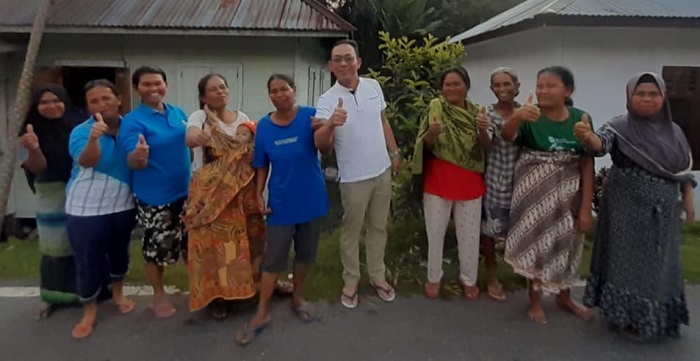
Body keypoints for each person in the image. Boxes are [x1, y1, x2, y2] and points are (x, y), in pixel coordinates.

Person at [580, 72, 695, 340]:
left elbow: (681, 170)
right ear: (629, 97)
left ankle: (658, 316)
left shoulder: (675, 131)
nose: (646, 98)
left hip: (664, 208)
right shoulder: (619, 126)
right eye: (640, 94)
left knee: (660, 262)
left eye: (653, 94)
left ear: (663, 97)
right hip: (625, 207)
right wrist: (587, 137)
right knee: (627, 263)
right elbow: (600, 145)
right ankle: (627, 316)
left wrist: (687, 197)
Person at [235, 74, 329, 346]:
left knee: (306, 254)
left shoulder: (312, 116)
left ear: (294, 90)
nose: (279, 94)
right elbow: (261, 163)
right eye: (274, 91)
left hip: (312, 199)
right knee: (273, 257)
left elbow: (327, 146)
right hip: (280, 203)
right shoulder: (264, 126)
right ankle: (262, 312)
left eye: (284, 89)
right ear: (270, 96)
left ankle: (297, 297)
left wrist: (327, 127)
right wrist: (258, 193)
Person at [501, 66, 595, 324]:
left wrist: (586, 207)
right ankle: (535, 301)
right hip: (534, 196)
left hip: (569, 195)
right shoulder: (530, 115)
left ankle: (564, 296)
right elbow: (506, 136)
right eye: (540, 85)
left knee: (569, 242)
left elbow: (587, 164)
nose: (543, 90)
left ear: (568, 90)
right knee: (536, 246)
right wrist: (517, 116)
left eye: (550, 86)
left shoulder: (580, 118)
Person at [314, 39, 401, 309]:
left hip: (382, 172)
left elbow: (382, 121)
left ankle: (378, 276)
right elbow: (321, 144)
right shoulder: (327, 100)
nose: (343, 63)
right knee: (351, 231)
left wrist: (395, 152)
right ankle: (351, 280)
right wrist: (330, 124)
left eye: (348, 58)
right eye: (337, 59)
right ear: (330, 66)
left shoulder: (374, 87)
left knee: (378, 228)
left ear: (358, 62)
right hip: (353, 178)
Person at [183, 74, 265, 320]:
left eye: (223, 87)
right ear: (203, 96)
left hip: (239, 193)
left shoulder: (242, 119)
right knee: (212, 247)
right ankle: (216, 298)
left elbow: (253, 148)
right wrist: (200, 137)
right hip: (208, 196)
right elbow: (190, 137)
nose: (220, 92)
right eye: (213, 89)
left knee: (242, 243)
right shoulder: (200, 118)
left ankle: (248, 289)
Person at [117, 66, 191, 318]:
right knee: (156, 249)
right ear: (137, 89)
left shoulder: (178, 112)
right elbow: (132, 159)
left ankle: (200, 289)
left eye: (157, 83)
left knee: (193, 246)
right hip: (155, 197)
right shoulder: (133, 121)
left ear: (165, 85)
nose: (153, 89)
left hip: (187, 192)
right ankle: (158, 295)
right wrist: (138, 156)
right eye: (146, 84)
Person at [65, 80, 136, 339]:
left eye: (106, 98)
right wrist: (94, 138)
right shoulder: (82, 131)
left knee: (119, 254)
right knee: (88, 261)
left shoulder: (132, 126)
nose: (101, 104)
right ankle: (90, 310)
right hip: (85, 208)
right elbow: (87, 161)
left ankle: (118, 294)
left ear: (119, 99)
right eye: (94, 101)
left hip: (122, 205)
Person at [411, 66, 489, 300]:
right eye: (447, 84)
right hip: (438, 182)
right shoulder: (435, 108)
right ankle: (434, 277)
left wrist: (483, 130)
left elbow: (486, 148)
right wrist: (433, 133)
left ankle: (469, 279)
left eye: (457, 83)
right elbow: (424, 146)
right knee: (435, 235)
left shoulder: (477, 113)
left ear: (467, 86)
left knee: (470, 236)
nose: (452, 88)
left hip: (470, 183)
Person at [19, 85, 89, 317]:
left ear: (65, 101)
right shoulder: (26, 131)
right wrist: (34, 149)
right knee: (54, 244)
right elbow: (35, 167)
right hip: (50, 191)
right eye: (44, 102)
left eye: (56, 100)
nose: (51, 106)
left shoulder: (81, 122)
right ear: (36, 107)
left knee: (82, 240)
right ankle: (54, 296)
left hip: (82, 188)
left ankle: (87, 292)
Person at [479, 67, 523, 301]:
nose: (502, 89)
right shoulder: (488, 113)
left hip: (522, 180)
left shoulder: (528, 112)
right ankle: (492, 274)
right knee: (490, 231)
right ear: (491, 89)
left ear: (517, 87)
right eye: (497, 85)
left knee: (522, 229)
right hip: (496, 179)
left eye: (507, 84)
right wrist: (481, 129)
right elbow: (486, 146)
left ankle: (524, 270)